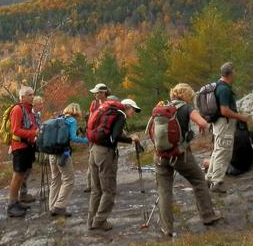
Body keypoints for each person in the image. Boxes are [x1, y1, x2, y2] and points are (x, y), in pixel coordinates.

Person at [153, 83, 223, 236]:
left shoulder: (162, 108)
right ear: (185, 95)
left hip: (160, 156)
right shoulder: (186, 108)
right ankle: (208, 215)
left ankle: (167, 228)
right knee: (198, 180)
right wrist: (201, 126)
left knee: (164, 191)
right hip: (180, 154)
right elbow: (203, 122)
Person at [86, 96, 141, 231]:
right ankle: (100, 221)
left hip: (94, 150)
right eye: (133, 111)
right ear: (127, 107)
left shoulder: (107, 112)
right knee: (109, 190)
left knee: (96, 190)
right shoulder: (120, 115)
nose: (133, 114)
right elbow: (115, 137)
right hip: (105, 154)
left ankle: (91, 221)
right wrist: (131, 139)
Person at [204, 62, 251, 194]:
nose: (235, 73)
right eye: (234, 71)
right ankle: (217, 182)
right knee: (223, 152)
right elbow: (224, 110)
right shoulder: (224, 89)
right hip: (224, 123)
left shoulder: (217, 85)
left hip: (218, 124)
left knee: (217, 150)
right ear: (230, 73)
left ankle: (209, 178)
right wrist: (240, 117)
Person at [47, 102, 89, 216]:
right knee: (69, 179)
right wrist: (87, 140)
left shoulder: (59, 118)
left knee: (55, 179)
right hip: (63, 154)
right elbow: (73, 138)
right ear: (76, 111)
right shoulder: (72, 120)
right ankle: (59, 207)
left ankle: (52, 207)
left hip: (52, 153)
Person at [6, 86, 40, 217]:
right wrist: (33, 133)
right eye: (30, 95)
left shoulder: (29, 110)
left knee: (22, 175)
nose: (33, 96)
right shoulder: (17, 109)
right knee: (18, 175)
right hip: (19, 147)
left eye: (33, 94)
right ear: (22, 97)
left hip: (28, 146)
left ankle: (17, 201)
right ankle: (11, 205)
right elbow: (15, 130)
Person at [18, 95, 47, 204]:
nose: (42, 106)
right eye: (40, 104)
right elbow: (29, 129)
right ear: (34, 104)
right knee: (24, 171)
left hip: (31, 145)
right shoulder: (30, 115)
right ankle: (22, 194)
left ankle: (23, 193)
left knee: (27, 169)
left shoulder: (36, 115)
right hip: (25, 145)